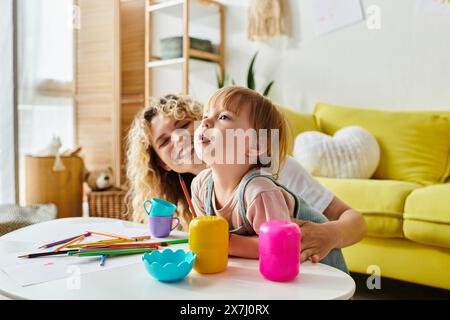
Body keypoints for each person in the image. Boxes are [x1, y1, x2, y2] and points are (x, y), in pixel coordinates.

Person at [126, 92, 367, 264]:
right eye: (165, 141)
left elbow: (356, 221)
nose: (178, 138)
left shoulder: (270, 169)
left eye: (184, 123)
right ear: (163, 164)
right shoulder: (199, 189)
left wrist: (330, 234)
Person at [191, 86, 357, 272]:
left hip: (322, 279)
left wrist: (225, 242)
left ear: (256, 145)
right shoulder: (200, 186)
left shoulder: (260, 192)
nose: (204, 121)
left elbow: (279, 248)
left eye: (223, 117)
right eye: (206, 114)